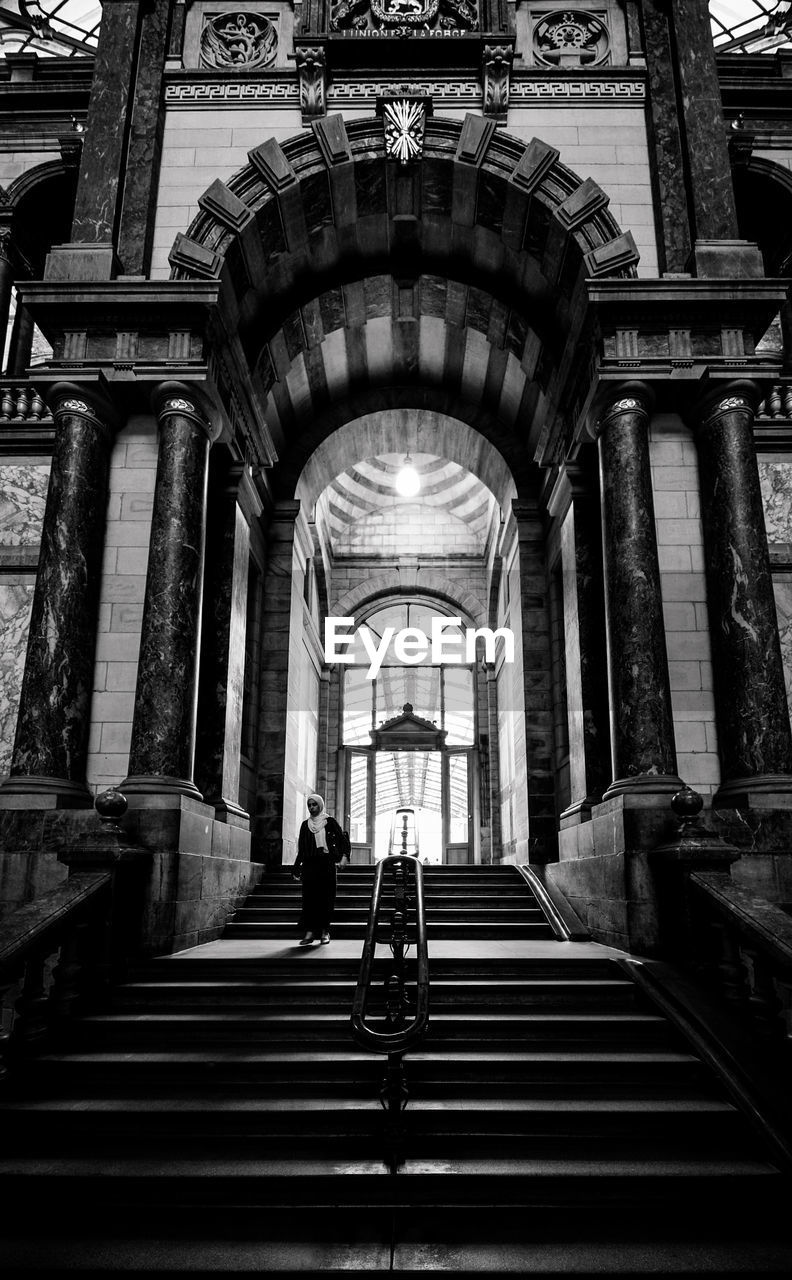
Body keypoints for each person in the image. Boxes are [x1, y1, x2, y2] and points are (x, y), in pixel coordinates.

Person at [292, 793, 349, 945]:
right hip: (310, 866)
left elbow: (343, 840)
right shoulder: (305, 825)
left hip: (327, 864)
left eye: (314, 804)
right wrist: (296, 868)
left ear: (320, 805)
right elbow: (302, 849)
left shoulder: (329, 822)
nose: (311, 807)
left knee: (326, 898)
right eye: (309, 805)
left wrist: (345, 856)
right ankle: (310, 932)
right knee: (309, 899)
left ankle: (325, 931)